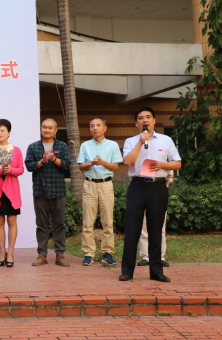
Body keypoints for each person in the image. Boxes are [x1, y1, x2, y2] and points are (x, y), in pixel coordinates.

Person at [120, 106, 181, 282]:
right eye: (141, 118)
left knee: (156, 229)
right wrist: (141, 142)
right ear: (136, 123)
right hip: (137, 186)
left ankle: (156, 271)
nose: (144, 120)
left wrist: (162, 165)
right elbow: (127, 162)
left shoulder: (165, 140)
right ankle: (127, 271)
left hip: (158, 187)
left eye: (148, 117)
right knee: (132, 229)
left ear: (154, 121)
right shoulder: (131, 141)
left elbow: (177, 163)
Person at [77, 117, 123, 266]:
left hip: (106, 185)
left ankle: (107, 252)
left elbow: (115, 166)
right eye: (92, 126)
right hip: (90, 184)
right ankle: (88, 253)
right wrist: (91, 163)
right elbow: (81, 166)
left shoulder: (112, 145)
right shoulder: (85, 145)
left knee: (107, 221)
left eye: (98, 125)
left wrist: (102, 162)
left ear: (105, 128)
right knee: (87, 221)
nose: (95, 128)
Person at [25, 118, 71, 267]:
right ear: (41, 129)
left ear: (55, 130)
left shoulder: (62, 146)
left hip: (58, 191)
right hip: (40, 191)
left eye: (50, 128)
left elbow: (67, 165)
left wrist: (54, 159)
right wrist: (42, 161)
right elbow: (29, 166)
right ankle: (42, 255)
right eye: (44, 127)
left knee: (59, 225)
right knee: (41, 226)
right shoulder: (33, 147)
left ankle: (60, 255)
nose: (47, 130)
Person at [0, 119, 24, 267]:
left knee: (12, 221)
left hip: (11, 190)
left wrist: (11, 170)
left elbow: (21, 169)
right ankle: (2, 253)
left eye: (2, 130)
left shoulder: (16, 150)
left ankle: (11, 253)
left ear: (9, 133)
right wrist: (0, 171)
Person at [138, 170, 174, 267]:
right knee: (144, 226)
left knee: (160, 226)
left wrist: (165, 183)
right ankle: (145, 256)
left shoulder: (163, 161)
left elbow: (170, 174)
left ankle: (160, 257)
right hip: (142, 190)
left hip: (159, 190)